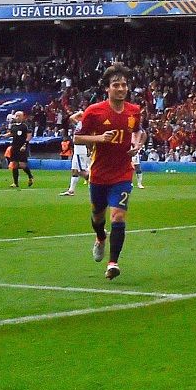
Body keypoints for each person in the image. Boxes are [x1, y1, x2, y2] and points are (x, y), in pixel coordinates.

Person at [72, 67, 141, 280]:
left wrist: (137, 144)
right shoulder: (94, 111)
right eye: (116, 85)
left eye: (123, 85)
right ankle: (100, 238)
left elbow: (138, 130)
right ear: (107, 88)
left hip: (122, 173)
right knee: (97, 216)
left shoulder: (134, 110)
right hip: (100, 174)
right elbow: (77, 138)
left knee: (118, 215)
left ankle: (113, 263)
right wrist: (100, 138)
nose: (121, 89)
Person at [63, 118, 93, 197]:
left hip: (80, 150)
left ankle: (96, 185)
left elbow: (88, 139)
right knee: (74, 171)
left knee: (81, 171)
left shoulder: (85, 126)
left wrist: (89, 149)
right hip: (77, 150)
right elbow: (71, 117)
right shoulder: (80, 124)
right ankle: (71, 190)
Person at [7, 113, 35, 188]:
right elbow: (11, 134)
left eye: (19, 116)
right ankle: (15, 183)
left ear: (23, 117)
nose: (17, 117)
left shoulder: (25, 125)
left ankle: (30, 176)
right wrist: (1, 135)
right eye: (16, 116)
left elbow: (29, 136)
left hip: (22, 147)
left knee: (22, 165)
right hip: (14, 147)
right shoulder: (13, 126)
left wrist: (25, 145)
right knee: (14, 165)